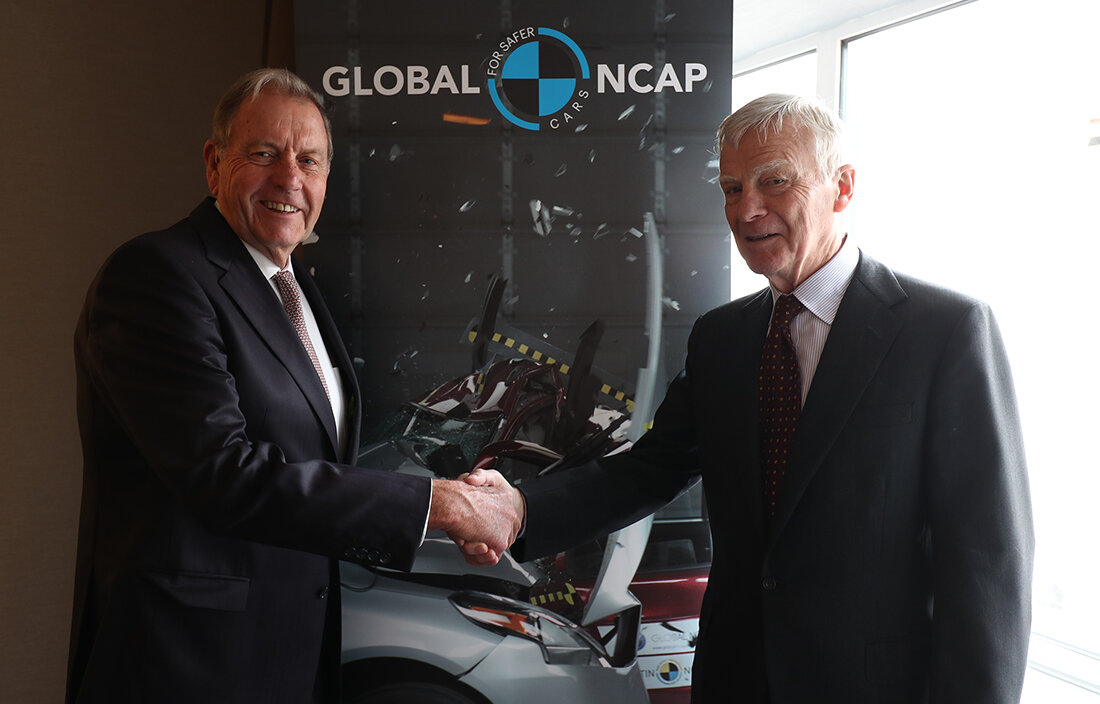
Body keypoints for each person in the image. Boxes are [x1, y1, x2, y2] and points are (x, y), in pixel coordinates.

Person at [466, 94, 1034, 703]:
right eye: (732, 188)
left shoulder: (944, 332)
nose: (747, 210)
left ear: (842, 187)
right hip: (736, 679)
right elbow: (650, 469)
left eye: (775, 181)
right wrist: (519, 510)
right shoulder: (722, 337)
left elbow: (988, 558)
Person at [67, 68, 522, 704]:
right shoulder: (156, 276)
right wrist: (439, 505)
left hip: (288, 655)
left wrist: (452, 513)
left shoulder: (293, 282)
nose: (289, 178)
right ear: (214, 164)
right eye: (263, 154)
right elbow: (224, 475)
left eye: (309, 160)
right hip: (185, 665)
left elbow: (314, 466)